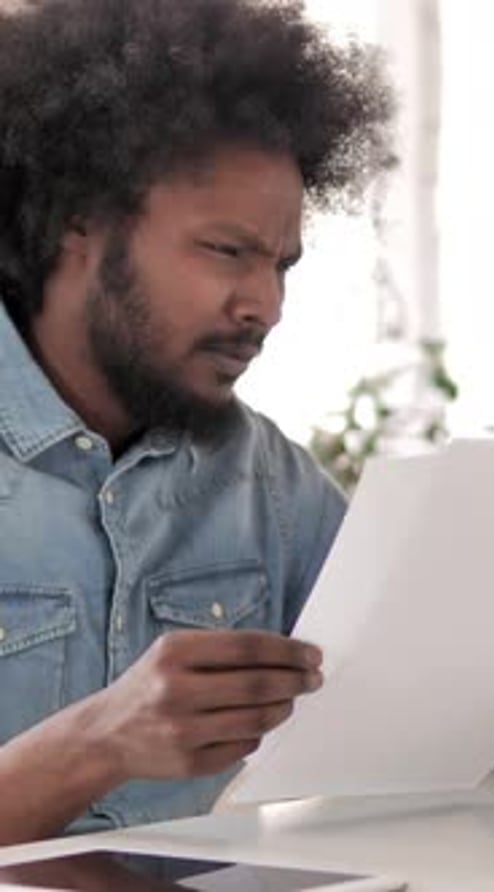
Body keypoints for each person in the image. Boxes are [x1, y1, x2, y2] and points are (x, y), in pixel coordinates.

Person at [0, 0, 394, 846]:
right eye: (227, 251)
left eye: (281, 264)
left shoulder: (268, 482)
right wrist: (98, 743)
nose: (266, 306)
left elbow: (414, 707)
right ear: (83, 219)